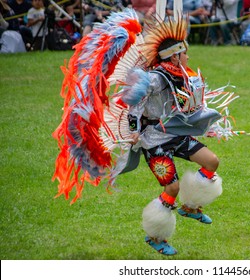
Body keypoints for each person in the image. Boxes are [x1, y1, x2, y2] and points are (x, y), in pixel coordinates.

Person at [53, 5, 235, 256]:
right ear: (173, 57)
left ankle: (190, 206)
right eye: (185, 55)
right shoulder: (152, 79)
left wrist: (205, 125)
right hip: (153, 142)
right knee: (172, 189)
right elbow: (133, 108)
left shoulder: (180, 77)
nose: (188, 59)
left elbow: (185, 109)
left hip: (175, 134)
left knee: (212, 161)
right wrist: (134, 131)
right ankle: (155, 236)